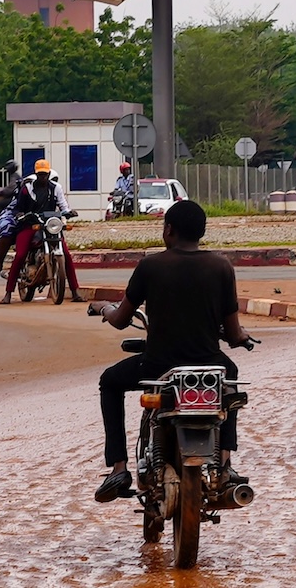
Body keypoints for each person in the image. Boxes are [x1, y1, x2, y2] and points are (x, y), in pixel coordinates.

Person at [89, 200, 258, 502]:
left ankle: (118, 466)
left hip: (158, 367)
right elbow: (233, 333)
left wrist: (104, 307)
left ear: (169, 230)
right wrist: (242, 337)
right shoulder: (221, 267)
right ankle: (226, 461)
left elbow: (120, 320)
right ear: (201, 232)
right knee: (229, 378)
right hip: (208, 367)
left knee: (109, 381)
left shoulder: (151, 265)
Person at [0, 160, 86, 304]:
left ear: (48, 173)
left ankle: (75, 292)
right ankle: (8, 292)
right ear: (36, 173)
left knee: (66, 255)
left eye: (45, 174)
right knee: (20, 255)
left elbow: (63, 206)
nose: (43, 177)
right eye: (40, 174)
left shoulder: (56, 188)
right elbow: (18, 207)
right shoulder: (27, 188)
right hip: (30, 225)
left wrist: (69, 212)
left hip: (50, 225)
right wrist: (21, 214)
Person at [0, 159, 21, 277]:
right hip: (15, 208)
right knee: (6, 228)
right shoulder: (16, 179)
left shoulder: (53, 190)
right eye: (40, 175)